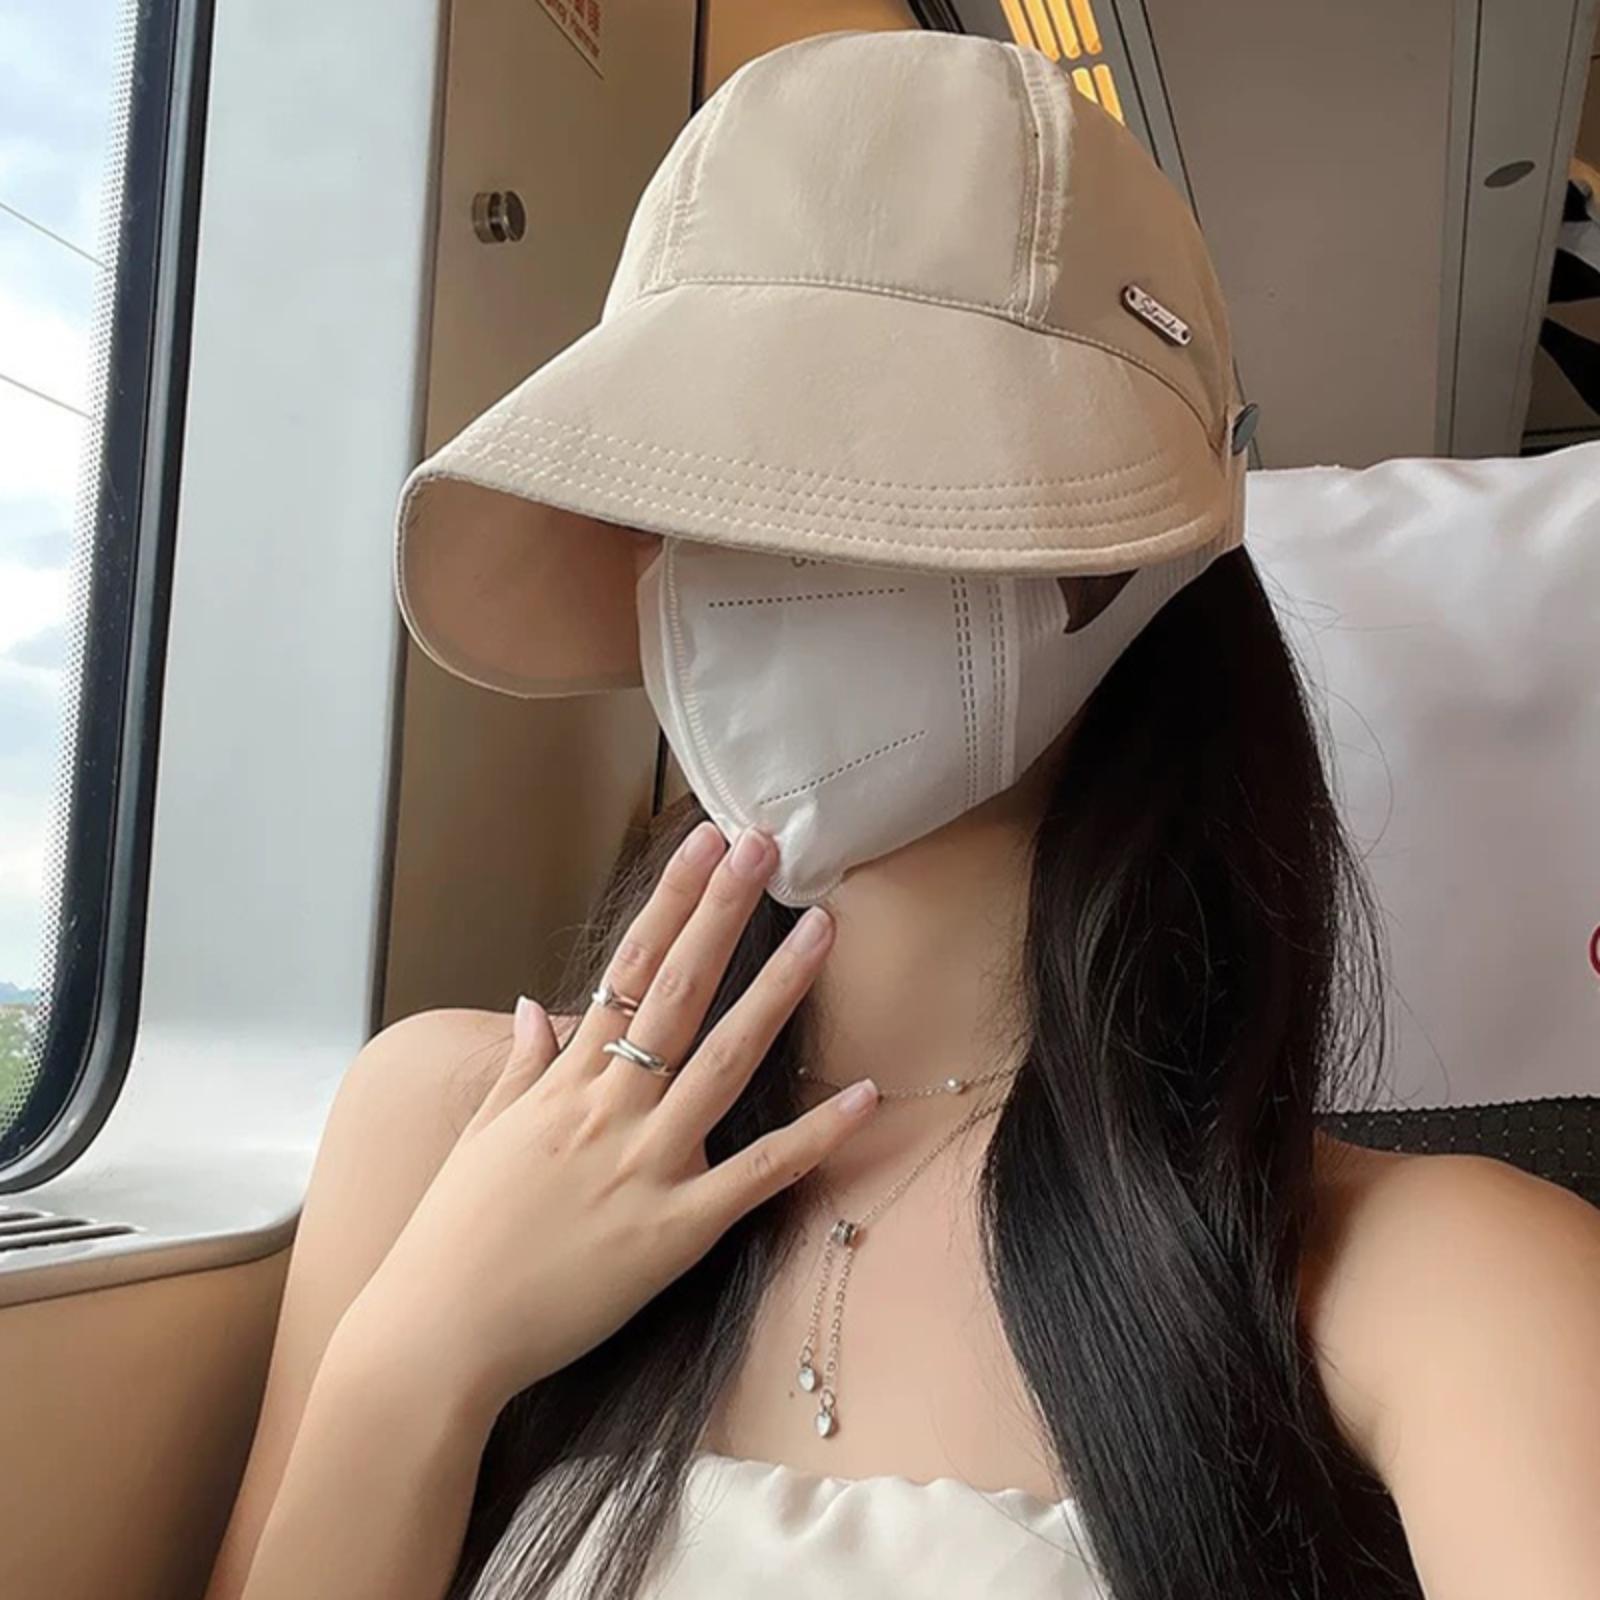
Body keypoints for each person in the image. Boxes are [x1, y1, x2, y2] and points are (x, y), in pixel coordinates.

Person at [206, 29, 1600, 1600]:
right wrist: (420, 1359)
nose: (756, 551)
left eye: (878, 462)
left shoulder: (1436, 1279)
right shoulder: (439, 1124)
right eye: (691, 475)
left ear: (1132, 580)